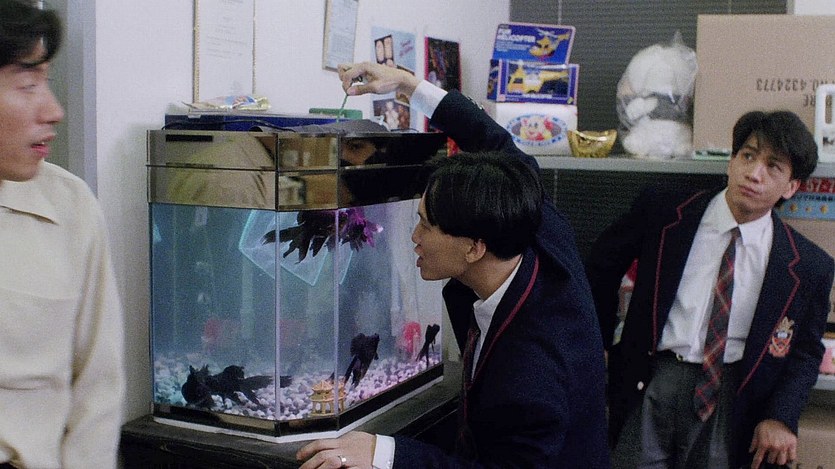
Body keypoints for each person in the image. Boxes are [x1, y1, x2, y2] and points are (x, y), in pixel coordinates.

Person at [296, 62, 610, 468]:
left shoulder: (530, 372)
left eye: (426, 225)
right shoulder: (540, 229)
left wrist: (384, 453)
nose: (414, 236)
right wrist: (409, 85)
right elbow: (494, 143)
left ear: (474, 248)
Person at [585, 110, 834, 468]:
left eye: (773, 167)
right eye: (747, 155)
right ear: (731, 161)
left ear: (791, 187)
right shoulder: (664, 214)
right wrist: (597, 344)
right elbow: (600, 267)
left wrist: (781, 415)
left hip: (733, 390)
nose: (754, 173)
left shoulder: (808, 266)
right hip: (653, 376)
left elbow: (806, 352)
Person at [0, 1, 125, 468]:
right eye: (27, 84)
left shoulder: (71, 207)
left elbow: (99, 388)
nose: (53, 111)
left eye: (46, 81)